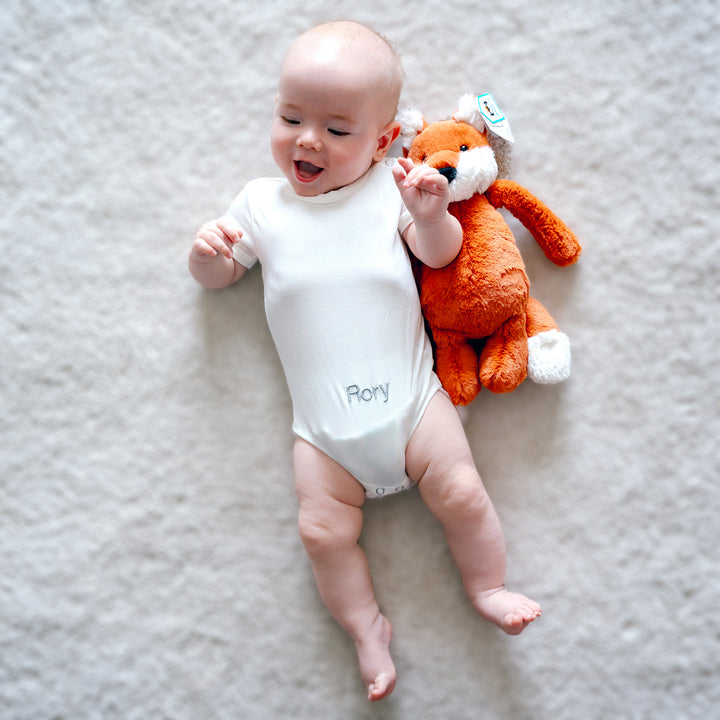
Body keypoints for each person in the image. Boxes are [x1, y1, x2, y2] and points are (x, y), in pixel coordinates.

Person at [188, 20, 541, 702]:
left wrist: (431, 215)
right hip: (323, 435)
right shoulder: (261, 204)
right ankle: (365, 629)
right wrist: (208, 258)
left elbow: (438, 256)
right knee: (321, 532)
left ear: (383, 142)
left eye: (337, 129)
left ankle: (488, 586)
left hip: (413, 404)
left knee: (463, 492)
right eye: (291, 117)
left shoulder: (391, 188)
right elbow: (224, 276)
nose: (308, 139)